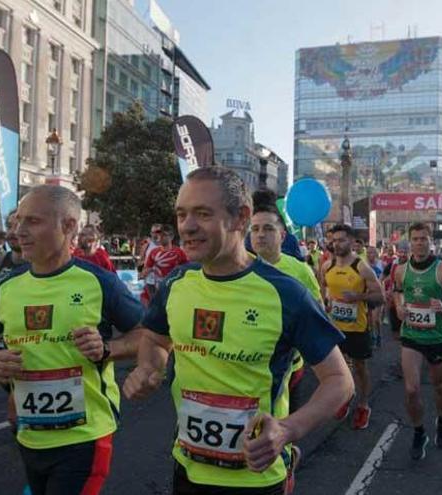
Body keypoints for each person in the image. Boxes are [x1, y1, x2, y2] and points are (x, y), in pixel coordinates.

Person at [122, 166, 353, 495]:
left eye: (202, 213)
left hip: (256, 481)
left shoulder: (286, 293)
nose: (187, 226)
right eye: (181, 214)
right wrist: (149, 365)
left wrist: (287, 430)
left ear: (240, 218)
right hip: (187, 470)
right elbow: (156, 339)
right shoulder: (176, 283)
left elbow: (340, 381)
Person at [0, 185, 145, 494]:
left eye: (32, 221)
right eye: (18, 221)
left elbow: (147, 335)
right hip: (30, 434)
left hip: (86, 435)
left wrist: (108, 349)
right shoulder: (5, 285)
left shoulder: (98, 281)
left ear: (69, 226)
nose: (18, 231)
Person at [392, 222, 442, 460]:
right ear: (409, 242)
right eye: (415, 239)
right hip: (411, 335)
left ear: (430, 241)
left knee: (440, 387)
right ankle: (419, 431)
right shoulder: (401, 270)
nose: (420, 243)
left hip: (436, 337)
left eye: (424, 239)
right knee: (411, 389)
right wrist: (399, 306)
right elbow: (397, 292)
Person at [249, 189, 323, 415]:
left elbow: (318, 313)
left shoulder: (300, 270)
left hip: (291, 367)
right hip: (248, 367)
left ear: (282, 235)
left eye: (268, 229)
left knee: (285, 430)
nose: (260, 235)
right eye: (255, 229)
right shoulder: (238, 267)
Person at [321, 224, 384, 431]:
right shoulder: (327, 266)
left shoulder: (361, 267)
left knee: (359, 367)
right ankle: (346, 396)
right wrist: (326, 304)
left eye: (341, 240)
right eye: (334, 240)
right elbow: (324, 292)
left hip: (357, 329)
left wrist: (358, 297)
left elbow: (380, 296)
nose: (336, 244)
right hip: (335, 327)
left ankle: (364, 404)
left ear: (351, 241)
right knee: (339, 368)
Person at [139, 224, 188, 305]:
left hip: (175, 290)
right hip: (158, 289)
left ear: (171, 237)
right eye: (160, 235)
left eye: (164, 235)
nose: (161, 237)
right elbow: (146, 270)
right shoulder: (153, 252)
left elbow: (187, 269)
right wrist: (143, 274)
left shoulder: (179, 252)